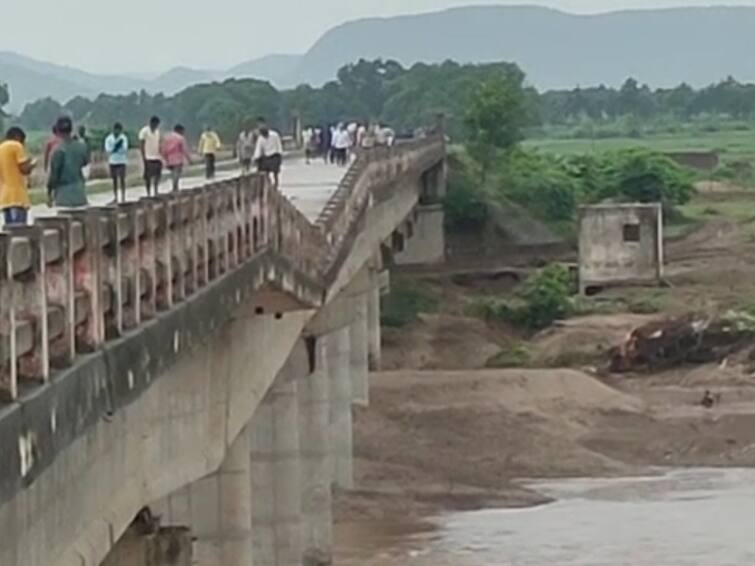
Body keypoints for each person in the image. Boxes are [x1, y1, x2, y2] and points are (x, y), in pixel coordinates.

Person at [47, 116, 89, 208]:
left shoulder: (58, 150)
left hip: (63, 196)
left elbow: (54, 176)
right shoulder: (82, 147)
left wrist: (49, 193)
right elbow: (85, 163)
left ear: (57, 131)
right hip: (80, 193)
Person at [0, 127, 36, 225]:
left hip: (4, 198)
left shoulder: (1, 148)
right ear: (18, 137)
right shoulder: (16, 146)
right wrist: (32, 165)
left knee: (10, 234)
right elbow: (24, 169)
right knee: (19, 232)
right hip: (17, 197)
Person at [253, 119, 283, 189]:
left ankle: (276, 185)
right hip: (266, 157)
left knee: (275, 173)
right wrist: (256, 158)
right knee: (264, 172)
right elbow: (258, 149)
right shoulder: (260, 139)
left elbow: (279, 146)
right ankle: (268, 185)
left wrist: (280, 155)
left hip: (275, 155)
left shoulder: (274, 135)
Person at [161, 124, 192, 192]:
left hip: (169, 158)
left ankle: (174, 186)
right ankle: (175, 187)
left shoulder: (167, 137)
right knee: (176, 173)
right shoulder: (180, 138)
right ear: (180, 130)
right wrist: (189, 159)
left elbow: (163, 149)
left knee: (173, 173)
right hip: (177, 158)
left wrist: (164, 158)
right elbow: (184, 149)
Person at [104, 122, 129, 203]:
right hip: (113, 161)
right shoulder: (108, 138)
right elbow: (108, 150)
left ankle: (123, 196)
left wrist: (116, 148)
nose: (117, 132)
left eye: (119, 130)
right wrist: (117, 146)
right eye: (116, 130)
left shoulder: (123, 138)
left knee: (122, 179)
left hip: (122, 161)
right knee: (114, 180)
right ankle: (115, 197)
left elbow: (124, 150)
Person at [139, 116, 162, 196]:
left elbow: (159, 143)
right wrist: (143, 156)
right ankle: (148, 192)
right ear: (151, 123)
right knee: (148, 177)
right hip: (148, 157)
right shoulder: (144, 131)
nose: (156, 126)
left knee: (157, 175)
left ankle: (156, 191)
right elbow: (141, 144)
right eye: (155, 124)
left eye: (157, 125)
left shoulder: (157, 132)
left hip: (156, 156)